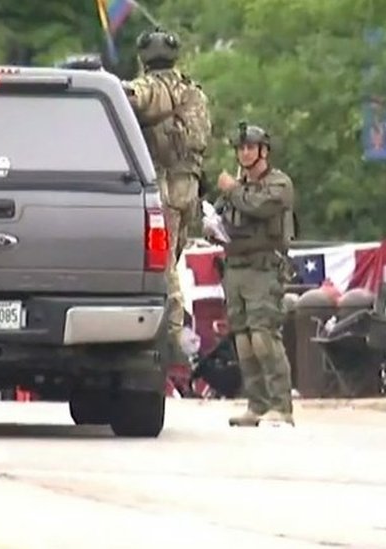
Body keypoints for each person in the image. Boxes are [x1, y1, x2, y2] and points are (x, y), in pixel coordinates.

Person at [122, 28, 212, 359]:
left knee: (162, 265)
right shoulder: (192, 91)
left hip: (166, 185)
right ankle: (172, 328)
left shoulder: (154, 87)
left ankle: (175, 332)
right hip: (190, 187)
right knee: (171, 257)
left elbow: (132, 98)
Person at [215, 123, 296, 427]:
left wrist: (233, 190)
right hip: (235, 268)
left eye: (250, 147)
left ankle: (281, 406)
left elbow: (259, 206)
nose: (245, 152)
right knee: (244, 340)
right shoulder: (237, 187)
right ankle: (257, 404)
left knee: (264, 337)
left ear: (263, 150)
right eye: (241, 148)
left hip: (264, 269)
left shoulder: (278, 184)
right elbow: (224, 215)